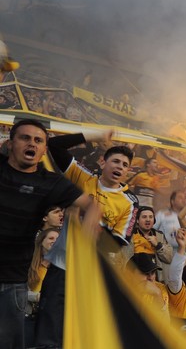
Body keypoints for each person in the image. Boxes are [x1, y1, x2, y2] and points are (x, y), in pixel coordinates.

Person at [35, 131, 138, 348]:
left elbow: (119, 242)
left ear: (128, 171)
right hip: (61, 267)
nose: (120, 167)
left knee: (82, 335)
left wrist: (89, 221)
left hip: (92, 274)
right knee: (49, 332)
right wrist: (93, 135)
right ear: (103, 162)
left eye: (125, 165)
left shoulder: (129, 203)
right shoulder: (83, 177)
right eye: (115, 161)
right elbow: (54, 145)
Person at [0, 119, 89, 349]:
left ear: (44, 151)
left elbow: (90, 204)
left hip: (12, 282)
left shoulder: (51, 182)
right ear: (10, 144)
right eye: (24, 138)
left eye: (38, 140)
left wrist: (90, 227)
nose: (32, 143)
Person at [25, 228, 61, 347]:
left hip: (51, 321)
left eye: (57, 239)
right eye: (51, 238)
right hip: (30, 318)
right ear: (41, 242)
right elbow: (21, 292)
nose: (55, 241)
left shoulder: (62, 269)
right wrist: (38, 297)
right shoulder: (30, 265)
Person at [125, 206, 173, 282]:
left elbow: (169, 258)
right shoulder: (130, 235)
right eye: (144, 217)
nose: (148, 219)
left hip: (156, 281)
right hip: (134, 280)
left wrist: (158, 245)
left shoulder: (159, 235)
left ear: (154, 220)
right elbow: (121, 259)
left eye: (151, 217)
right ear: (137, 220)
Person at [154, 190, 186, 279]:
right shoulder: (161, 214)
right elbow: (153, 230)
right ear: (172, 201)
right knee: (167, 280)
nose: (184, 200)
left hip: (182, 253)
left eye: (185, 198)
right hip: (165, 254)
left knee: (179, 280)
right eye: (180, 197)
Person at [126, 253, 169, 321]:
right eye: (145, 273)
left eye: (153, 272)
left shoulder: (160, 289)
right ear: (129, 274)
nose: (151, 278)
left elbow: (163, 326)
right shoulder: (119, 288)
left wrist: (157, 295)